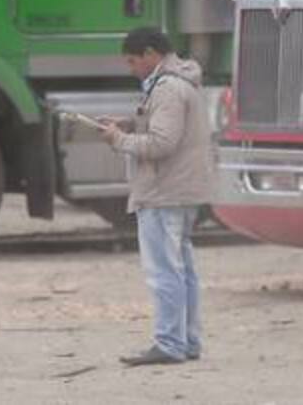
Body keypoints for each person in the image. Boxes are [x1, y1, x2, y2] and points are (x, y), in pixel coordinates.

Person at [94, 27, 215, 367]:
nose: (131, 68)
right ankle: (187, 341)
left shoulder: (167, 89)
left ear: (150, 54)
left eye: (133, 61)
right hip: (182, 190)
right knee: (183, 269)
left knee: (163, 271)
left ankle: (169, 343)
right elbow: (166, 130)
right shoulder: (182, 82)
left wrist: (119, 139)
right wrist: (131, 124)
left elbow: (162, 144)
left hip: (163, 191)